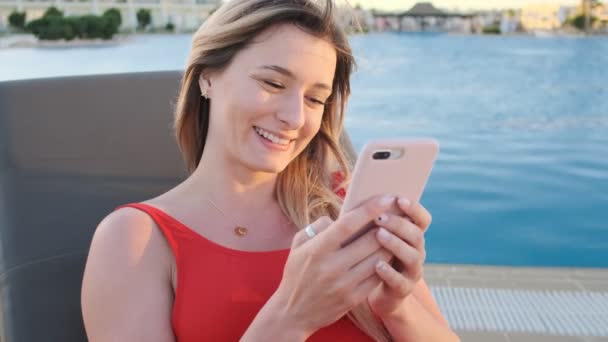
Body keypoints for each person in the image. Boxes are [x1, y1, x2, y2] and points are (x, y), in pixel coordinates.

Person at [81, 0, 460, 341]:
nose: (294, 117)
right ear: (208, 76)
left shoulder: (344, 213)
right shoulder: (135, 240)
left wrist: (396, 306)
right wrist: (292, 318)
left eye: (315, 99)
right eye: (273, 83)